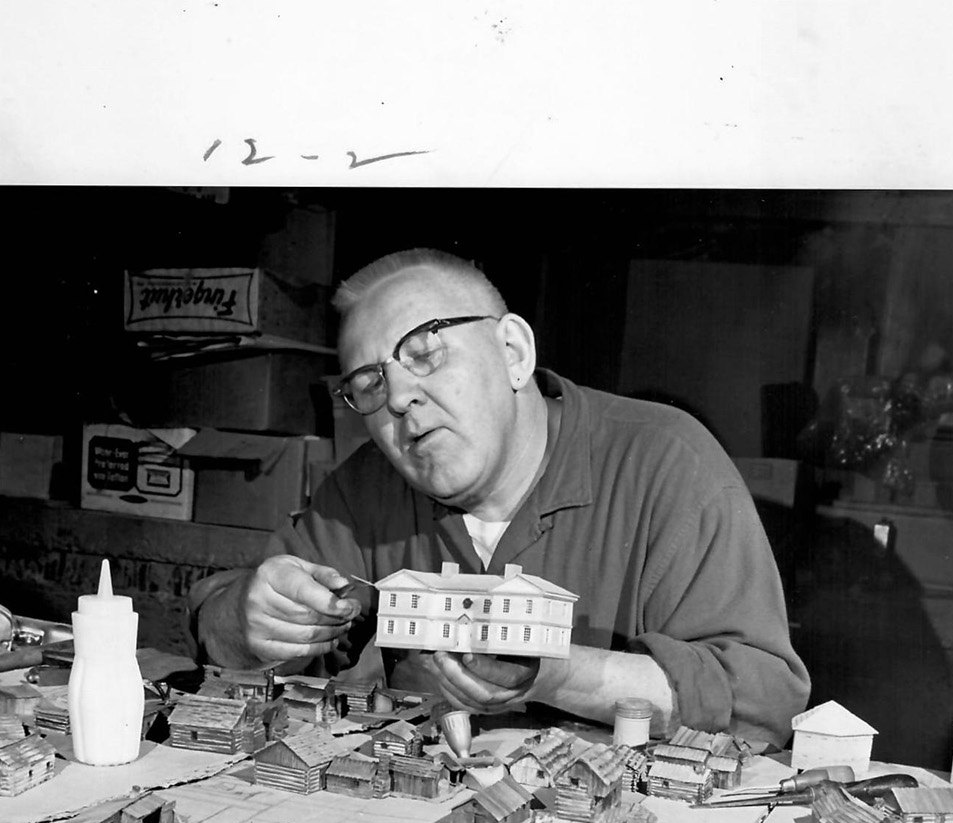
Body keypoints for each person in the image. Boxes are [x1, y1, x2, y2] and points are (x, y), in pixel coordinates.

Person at [187, 248, 809, 748]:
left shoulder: (667, 461)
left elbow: (761, 700)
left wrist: (557, 673)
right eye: (370, 384)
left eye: (425, 353)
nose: (400, 398)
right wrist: (246, 617)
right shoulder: (363, 487)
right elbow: (218, 633)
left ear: (513, 352)